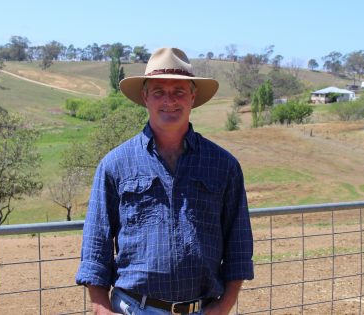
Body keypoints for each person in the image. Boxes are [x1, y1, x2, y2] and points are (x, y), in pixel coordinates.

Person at [75, 47, 254, 315]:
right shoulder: (115, 164)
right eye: (159, 92)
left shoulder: (223, 165)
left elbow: (239, 245)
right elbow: (95, 246)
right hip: (132, 308)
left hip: (201, 310)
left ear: (193, 97)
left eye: (179, 91)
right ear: (145, 97)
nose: (169, 100)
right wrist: (101, 308)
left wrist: (223, 307)